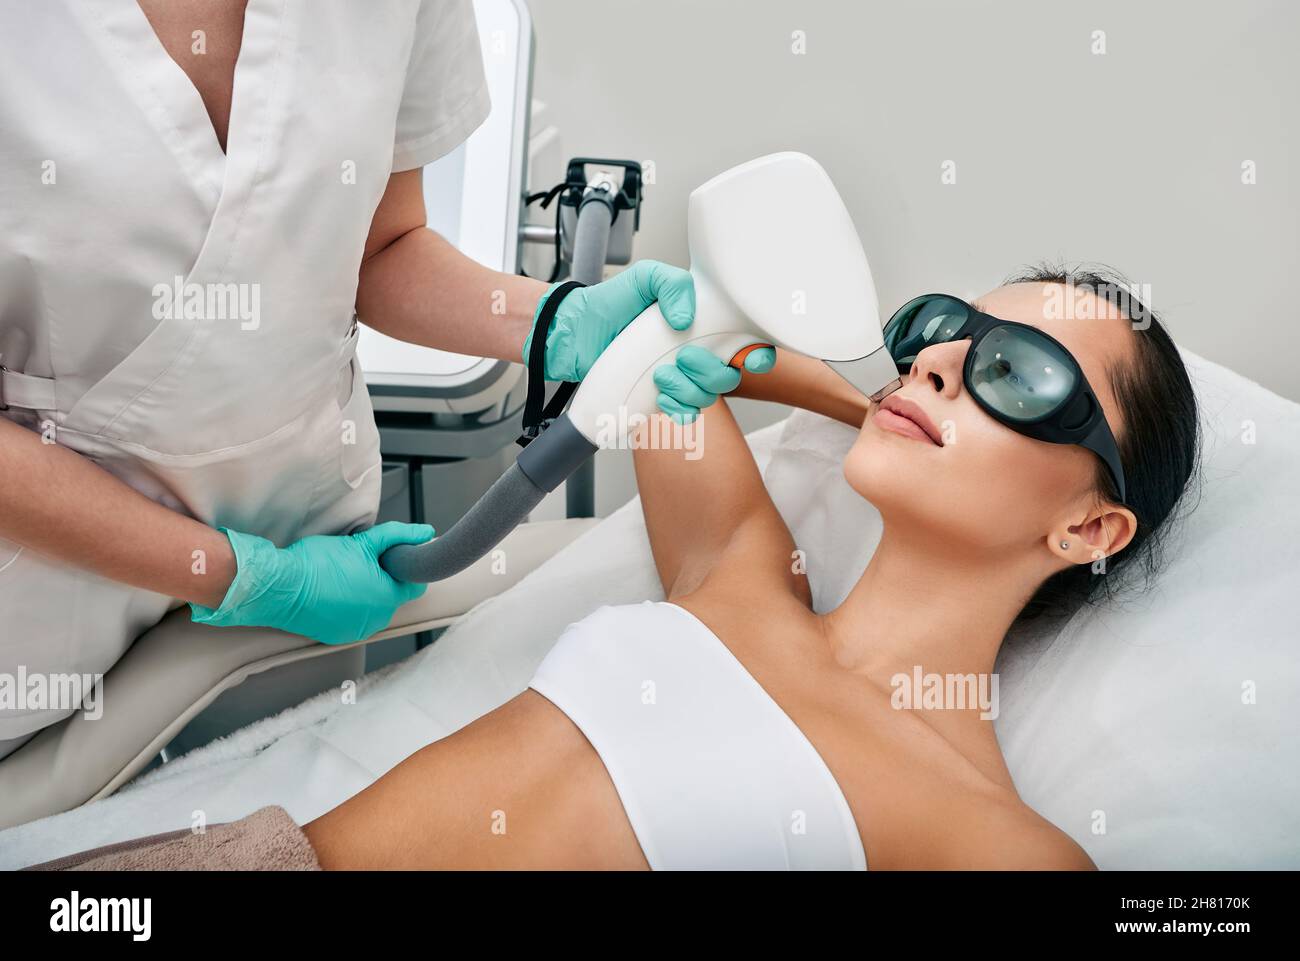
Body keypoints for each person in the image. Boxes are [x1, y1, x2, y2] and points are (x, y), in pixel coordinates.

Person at [36, 268, 1201, 870]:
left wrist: (912, 406)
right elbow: (683, 353)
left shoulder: (999, 843)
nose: (943, 359)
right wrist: (877, 393)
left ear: (1089, 529)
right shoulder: (744, 575)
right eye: (940, 329)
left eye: (1017, 371)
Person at [0, 0, 777, 757]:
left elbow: (381, 246)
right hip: (40, 586)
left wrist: (552, 321)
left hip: (303, 539)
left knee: (285, 804)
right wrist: (243, 577)